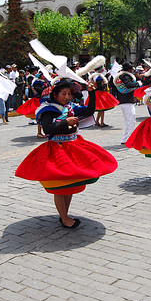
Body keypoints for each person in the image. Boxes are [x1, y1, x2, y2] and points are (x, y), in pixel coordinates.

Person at [15, 78, 117, 228]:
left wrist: (92, 93)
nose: (67, 97)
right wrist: (65, 122)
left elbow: (89, 110)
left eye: (69, 94)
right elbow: (47, 129)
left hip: (72, 145)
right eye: (63, 94)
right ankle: (64, 217)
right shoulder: (48, 109)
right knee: (61, 185)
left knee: (70, 184)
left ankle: (65, 214)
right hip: (57, 149)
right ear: (55, 95)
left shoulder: (69, 107)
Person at [114, 62, 141, 144]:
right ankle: (131, 138)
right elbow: (129, 85)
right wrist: (138, 83)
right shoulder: (125, 76)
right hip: (127, 100)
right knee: (131, 120)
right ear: (129, 69)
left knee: (127, 120)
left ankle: (125, 138)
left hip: (122, 100)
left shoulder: (119, 76)